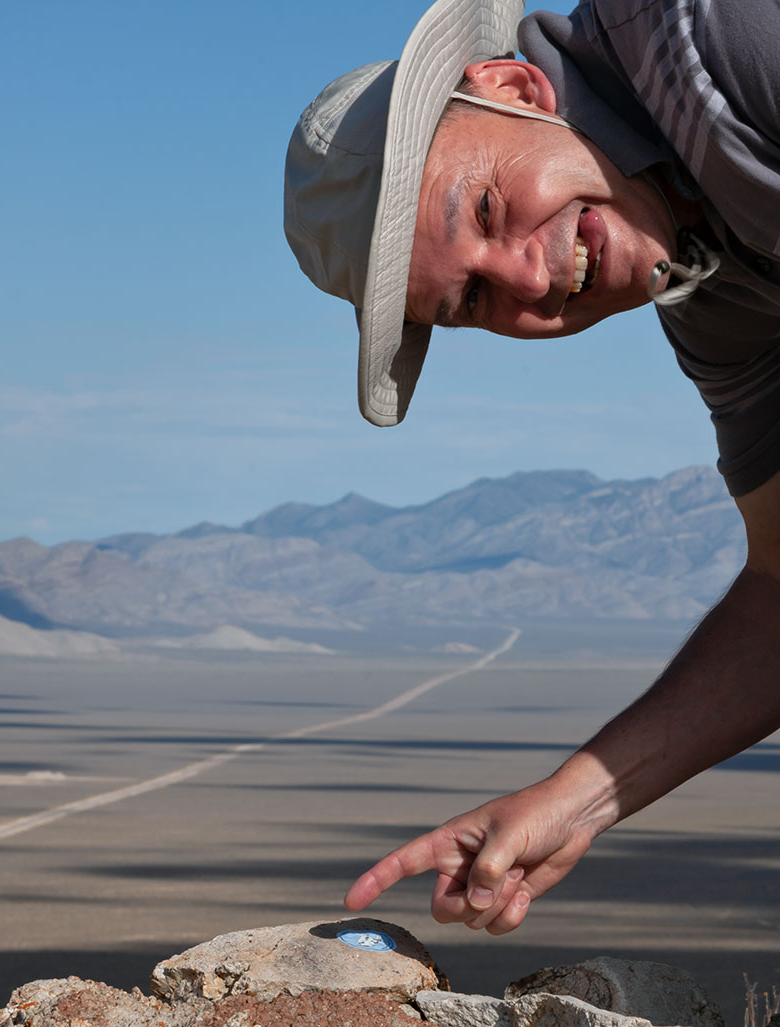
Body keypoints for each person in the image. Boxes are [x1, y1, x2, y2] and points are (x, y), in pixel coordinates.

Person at [284, 0, 780, 936]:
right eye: (473, 299)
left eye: (483, 207)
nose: (526, 278)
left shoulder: (717, 42)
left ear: (514, 88)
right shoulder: (711, 287)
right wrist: (577, 799)